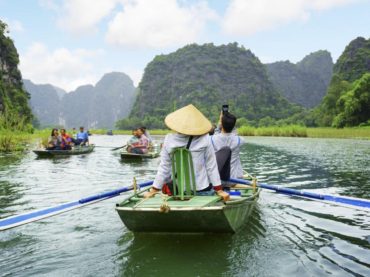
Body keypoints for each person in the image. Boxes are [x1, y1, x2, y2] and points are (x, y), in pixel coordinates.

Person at [144, 104, 230, 201]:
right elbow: (211, 167)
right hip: (202, 191)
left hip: (177, 191)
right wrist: (219, 190)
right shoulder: (206, 139)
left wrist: (153, 190)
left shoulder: (169, 140)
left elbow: (164, 168)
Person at [211, 112, 245, 181]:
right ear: (234, 125)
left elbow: (216, 134)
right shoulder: (240, 140)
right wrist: (231, 123)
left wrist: (220, 123)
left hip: (217, 180)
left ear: (222, 125)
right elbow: (235, 134)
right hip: (234, 180)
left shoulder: (211, 139)